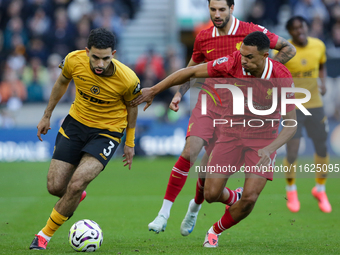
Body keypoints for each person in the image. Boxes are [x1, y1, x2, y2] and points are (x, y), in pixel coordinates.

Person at [131, 31, 300, 248]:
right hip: (231, 134)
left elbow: (291, 124)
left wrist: (271, 148)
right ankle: (231, 198)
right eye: (242, 55)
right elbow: (191, 71)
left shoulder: (281, 77)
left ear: (266, 56)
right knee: (210, 194)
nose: (243, 60)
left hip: (262, 140)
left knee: (249, 199)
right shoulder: (233, 62)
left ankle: (215, 230)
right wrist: (154, 90)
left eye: (249, 57)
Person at [29, 28, 141, 250]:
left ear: (114, 54)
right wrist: (47, 114)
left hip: (107, 132)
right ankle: (75, 196)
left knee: (77, 183)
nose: (100, 64)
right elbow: (62, 82)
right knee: (55, 187)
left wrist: (129, 142)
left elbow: (132, 107)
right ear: (87, 51)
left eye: (106, 58)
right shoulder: (73, 60)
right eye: (95, 57)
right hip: (76, 124)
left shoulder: (128, 79)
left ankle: (44, 235)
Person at [281, 16, 331, 213]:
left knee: (322, 148)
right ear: (290, 32)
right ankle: (291, 189)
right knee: (292, 152)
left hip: (316, 105)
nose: (299, 31)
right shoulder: (285, 51)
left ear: (307, 27)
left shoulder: (319, 46)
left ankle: (320, 189)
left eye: (301, 26)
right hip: (293, 107)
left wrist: (323, 82)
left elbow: (322, 66)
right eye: (294, 29)